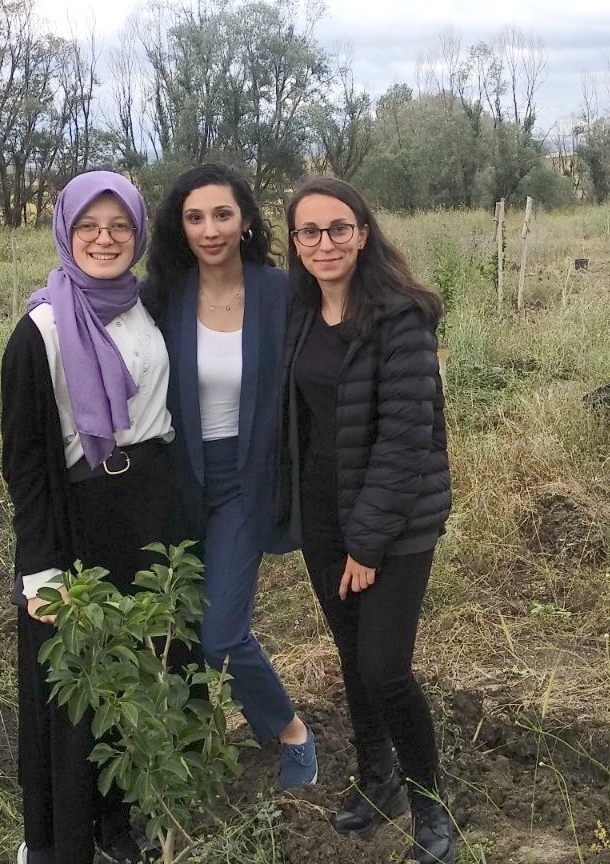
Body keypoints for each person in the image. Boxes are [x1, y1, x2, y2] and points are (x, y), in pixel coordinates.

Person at [1, 171, 187, 864]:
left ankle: (118, 822)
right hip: (77, 518)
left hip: (150, 512)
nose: (104, 239)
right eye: (89, 227)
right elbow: (23, 461)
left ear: (137, 233)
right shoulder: (40, 329)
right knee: (72, 685)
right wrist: (40, 568)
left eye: (119, 227)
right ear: (66, 232)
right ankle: (57, 840)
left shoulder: (147, 306)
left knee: (133, 673)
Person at [280, 177, 456, 864]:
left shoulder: (399, 317)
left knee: (385, 667)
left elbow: (407, 436)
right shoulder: (299, 313)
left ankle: (430, 806)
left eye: (338, 229)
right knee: (352, 655)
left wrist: (367, 542)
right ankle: (377, 779)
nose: (324, 243)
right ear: (295, 243)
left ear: (362, 231)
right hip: (322, 514)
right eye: (309, 232)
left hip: (395, 518)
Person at [142, 163, 317, 788]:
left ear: (245, 220)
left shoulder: (280, 291)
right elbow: (98, 312)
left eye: (222, 214)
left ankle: (289, 728)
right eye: (195, 217)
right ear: (179, 227)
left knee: (221, 633)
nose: (210, 229)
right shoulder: (163, 294)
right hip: (177, 476)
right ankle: (195, 738)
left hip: (246, 477)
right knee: (177, 622)